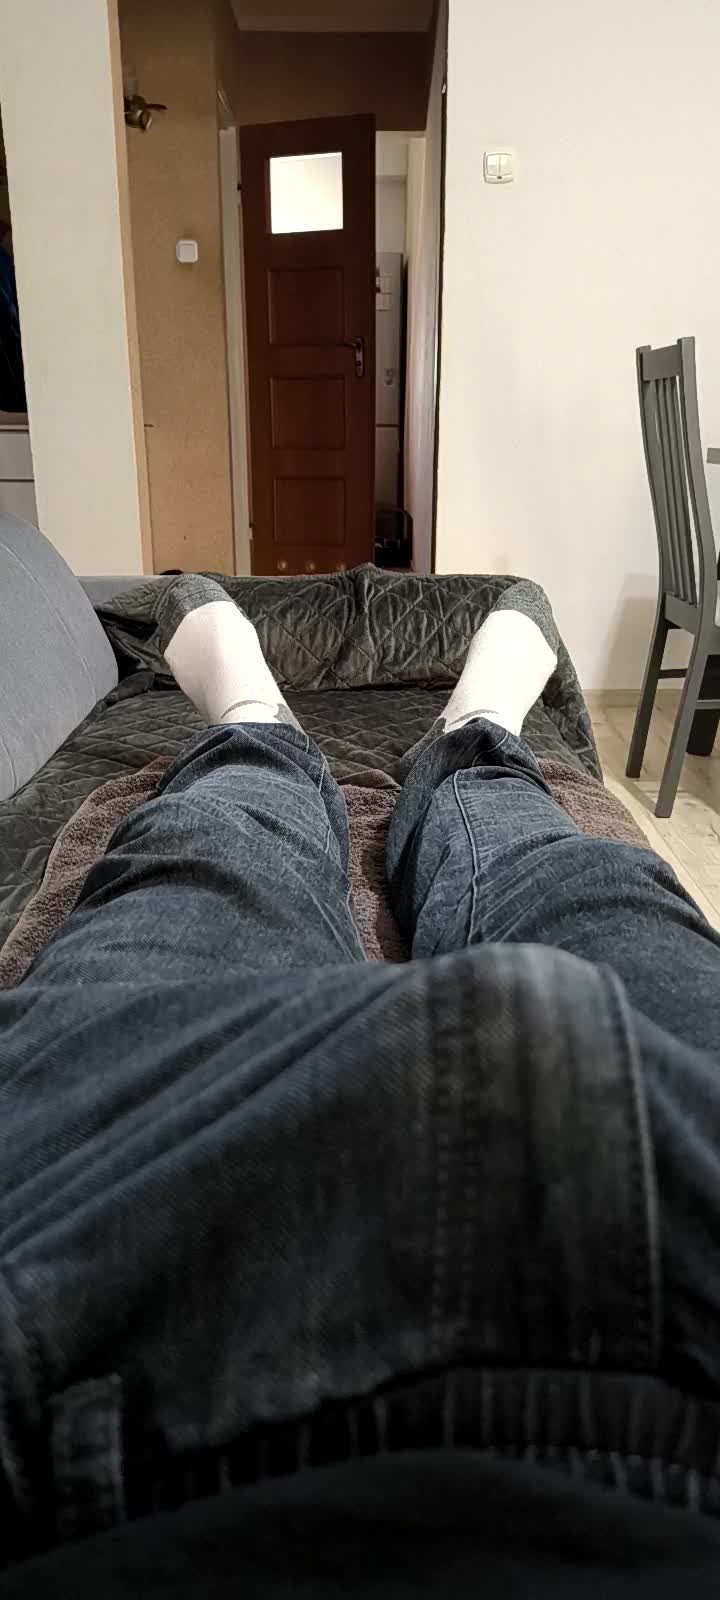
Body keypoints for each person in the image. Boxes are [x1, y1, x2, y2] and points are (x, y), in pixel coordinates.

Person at [1, 575, 720, 1595]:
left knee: (206, 857)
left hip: (81, 1281)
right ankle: (473, 740)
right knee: (589, 883)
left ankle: (257, 731)